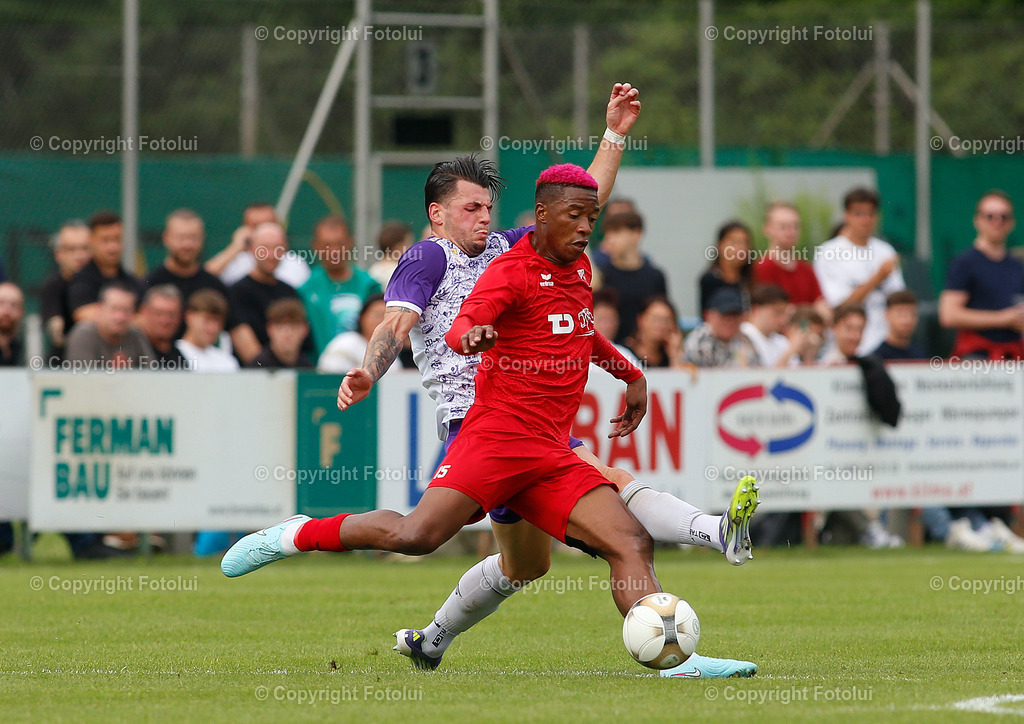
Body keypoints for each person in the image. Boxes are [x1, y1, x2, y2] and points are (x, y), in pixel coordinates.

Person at [222, 163, 760, 679]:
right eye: (471, 208)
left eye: (488, 207)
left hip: (546, 439)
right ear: (437, 214)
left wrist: (615, 133)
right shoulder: (428, 259)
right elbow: (401, 323)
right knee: (417, 535)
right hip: (486, 431)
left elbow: (576, 203)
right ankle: (296, 535)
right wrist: (369, 369)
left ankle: (668, 656)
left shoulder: (516, 249)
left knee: (580, 553)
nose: (484, 218)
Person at [814, 188, 905, 356]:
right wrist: (878, 277)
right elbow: (840, 306)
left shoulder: (886, 251)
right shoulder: (828, 252)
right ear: (846, 215)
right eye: (858, 214)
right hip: (848, 346)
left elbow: (898, 301)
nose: (865, 220)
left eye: (870, 214)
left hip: (885, 343)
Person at [938, 190, 1024, 360]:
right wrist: (1002, 319)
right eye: (990, 216)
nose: (997, 222)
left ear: (1012, 222)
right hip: (978, 357)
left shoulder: (1016, 265)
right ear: (978, 221)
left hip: (1014, 356)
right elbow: (948, 315)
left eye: (1003, 216)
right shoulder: (965, 262)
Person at [145, 209, 236, 340]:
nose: (187, 244)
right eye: (181, 238)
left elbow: (236, 328)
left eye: (194, 238)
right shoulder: (150, 283)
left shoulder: (215, 286)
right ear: (166, 238)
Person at [297, 215, 382, 354]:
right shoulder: (305, 291)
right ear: (315, 246)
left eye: (339, 244)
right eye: (327, 245)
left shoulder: (370, 286)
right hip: (320, 371)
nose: (334, 251)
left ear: (350, 243)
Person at [228, 222, 303, 364]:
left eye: (278, 248)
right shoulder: (237, 292)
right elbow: (249, 353)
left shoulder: (289, 292)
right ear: (251, 249)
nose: (271, 255)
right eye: (264, 248)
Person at [594, 211, 669, 344]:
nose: (610, 239)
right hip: (611, 350)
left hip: (646, 352)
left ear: (636, 234)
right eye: (607, 234)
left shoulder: (655, 276)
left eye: (617, 232)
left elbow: (663, 314)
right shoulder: (602, 276)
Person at [754, 201, 831, 322]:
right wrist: (812, 311)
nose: (791, 232)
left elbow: (824, 310)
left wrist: (796, 311)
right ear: (767, 229)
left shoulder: (807, 270)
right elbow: (774, 315)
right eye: (783, 226)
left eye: (795, 226)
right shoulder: (761, 268)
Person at [205, 202, 311, 288]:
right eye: (255, 226)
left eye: (268, 223)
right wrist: (235, 248)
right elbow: (204, 278)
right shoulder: (233, 260)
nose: (264, 230)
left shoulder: (295, 264)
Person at [67, 211, 144, 323]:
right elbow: (84, 315)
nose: (113, 247)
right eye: (105, 240)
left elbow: (147, 320)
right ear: (91, 240)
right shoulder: (80, 281)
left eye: (117, 239)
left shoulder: (134, 283)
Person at [65, 282, 153, 369]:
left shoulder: (136, 334)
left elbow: (153, 374)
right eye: (114, 309)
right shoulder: (83, 335)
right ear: (100, 309)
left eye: (126, 310)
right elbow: (84, 379)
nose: (120, 317)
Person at [39, 220, 91, 360]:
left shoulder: (104, 281)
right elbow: (55, 330)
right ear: (58, 254)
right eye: (71, 249)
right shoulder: (53, 287)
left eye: (85, 248)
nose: (79, 255)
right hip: (66, 364)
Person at [741, 284, 815, 367]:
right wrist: (791, 350)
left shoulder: (781, 341)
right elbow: (761, 378)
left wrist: (808, 355)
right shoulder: (742, 337)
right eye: (777, 312)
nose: (783, 320)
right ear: (756, 310)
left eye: (785, 313)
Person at [684, 287, 759, 368]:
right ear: (709, 316)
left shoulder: (744, 342)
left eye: (735, 315)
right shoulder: (699, 343)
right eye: (724, 315)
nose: (730, 321)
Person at [318, 294, 390, 374]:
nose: (381, 321)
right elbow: (330, 378)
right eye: (377, 315)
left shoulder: (391, 350)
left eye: (387, 317)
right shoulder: (346, 343)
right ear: (362, 317)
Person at [176, 290, 239, 373]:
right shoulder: (175, 355)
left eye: (218, 322)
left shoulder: (228, 362)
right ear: (189, 316)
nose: (213, 328)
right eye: (207, 320)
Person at [699, 221, 755, 316]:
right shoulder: (710, 280)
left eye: (745, 243)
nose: (741, 248)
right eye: (734, 242)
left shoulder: (752, 278)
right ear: (720, 245)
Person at [247, 298, 314, 369]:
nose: (287, 334)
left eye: (293, 327)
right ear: (270, 329)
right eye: (280, 327)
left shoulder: (307, 368)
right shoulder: (257, 367)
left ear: (304, 329)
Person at [624, 296, 686, 369]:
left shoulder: (670, 355)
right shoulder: (624, 353)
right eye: (655, 319)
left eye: (667, 320)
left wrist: (675, 355)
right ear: (641, 319)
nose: (662, 325)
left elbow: (678, 379)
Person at [137, 285, 186, 369]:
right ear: (144, 311)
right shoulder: (132, 351)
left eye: (172, 315)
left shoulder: (180, 357)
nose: (165, 321)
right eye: (158, 313)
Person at [592, 287, 640, 367]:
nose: (606, 325)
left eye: (611, 320)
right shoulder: (577, 354)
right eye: (600, 319)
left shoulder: (625, 355)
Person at [872, 290, 926, 360]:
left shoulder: (921, 355)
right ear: (887, 315)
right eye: (900, 314)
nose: (907, 320)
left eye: (912, 314)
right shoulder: (877, 358)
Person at [368, 221, 414, 289]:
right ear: (399, 246)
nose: (412, 249)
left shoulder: (372, 271)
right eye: (408, 243)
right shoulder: (402, 274)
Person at [0, 282, 25, 366]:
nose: (6, 311)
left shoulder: (20, 347)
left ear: (21, 312)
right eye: (1, 303)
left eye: (13, 305)